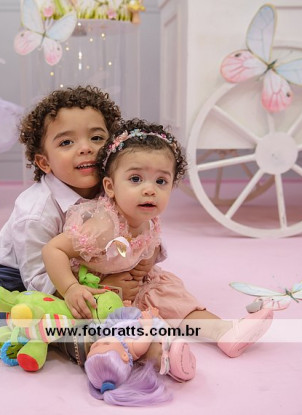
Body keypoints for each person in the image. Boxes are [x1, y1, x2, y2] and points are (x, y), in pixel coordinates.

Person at [42, 118, 273, 361]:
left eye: (161, 181)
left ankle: (223, 332)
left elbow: (148, 245)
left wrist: (147, 262)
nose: (150, 190)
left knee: (170, 295)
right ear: (110, 187)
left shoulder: (149, 219)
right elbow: (53, 250)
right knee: (116, 327)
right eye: (135, 179)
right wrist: (71, 288)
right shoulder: (104, 225)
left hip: (134, 285)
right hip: (96, 291)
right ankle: (162, 355)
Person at [0, 86, 157, 338]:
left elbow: (142, 227)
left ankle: (83, 319)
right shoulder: (36, 211)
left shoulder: (115, 189)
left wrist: (140, 264)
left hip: (88, 268)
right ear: (44, 162)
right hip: (24, 275)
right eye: (66, 142)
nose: (86, 148)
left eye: (97, 138)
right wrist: (99, 287)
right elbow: (36, 279)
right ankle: (34, 330)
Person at [85, 305, 193, 406]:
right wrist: (148, 324)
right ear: (124, 356)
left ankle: (172, 354)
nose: (98, 342)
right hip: (149, 328)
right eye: (105, 344)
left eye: (93, 347)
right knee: (163, 334)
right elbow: (147, 337)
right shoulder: (132, 347)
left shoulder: (108, 336)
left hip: (131, 320)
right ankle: (170, 358)